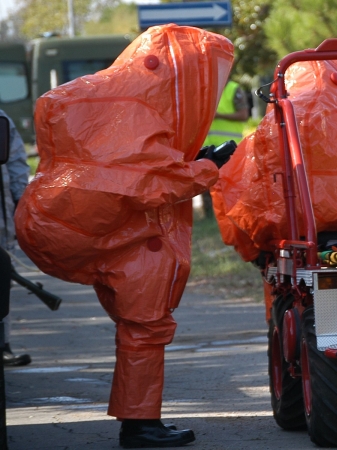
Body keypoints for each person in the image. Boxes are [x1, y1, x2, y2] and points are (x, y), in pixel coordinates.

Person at [15, 25, 234, 447]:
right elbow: (152, 180)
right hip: (90, 228)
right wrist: (208, 168)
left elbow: (140, 172)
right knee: (145, 325)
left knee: (143, 321)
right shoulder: (139, 110)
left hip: (60, 221)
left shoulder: (104, 95)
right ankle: (140, 426)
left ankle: (141, 422)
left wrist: (198, 163)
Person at [0, 108, 32, 367]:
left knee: (2, 280)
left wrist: (20, 199)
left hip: (1, 218)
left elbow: (16, 162)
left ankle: (3, 342)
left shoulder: (2, 120)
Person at [201, 79, 249, 217]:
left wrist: (218, 115)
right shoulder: (204, 88)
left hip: (228, 150)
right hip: (207, 147)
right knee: (205, 185)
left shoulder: (233, 89)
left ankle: (235, 214)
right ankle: (209, 216)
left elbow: (243, 115)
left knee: (230, 187)